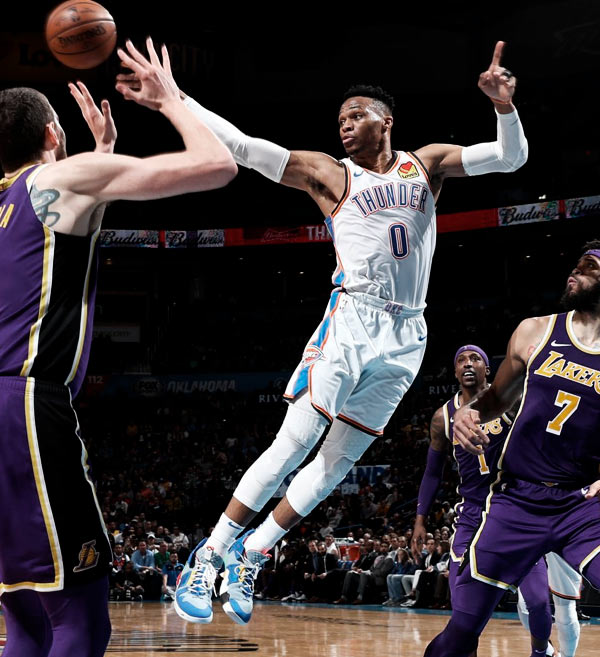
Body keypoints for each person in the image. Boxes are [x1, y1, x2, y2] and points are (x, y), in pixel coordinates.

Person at [147, 40, 529, 626]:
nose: (345, 125)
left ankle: (252, 554)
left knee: (336, 467)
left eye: (356, 115)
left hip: (409, 334)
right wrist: (177, 99)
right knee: (293, 444)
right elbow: (244, 147)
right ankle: (211, 553)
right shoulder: (330, 173)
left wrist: (504, 105)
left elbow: (510, 158)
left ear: (386, 121)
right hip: (352, 320)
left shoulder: (426, 164)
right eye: (341, 119)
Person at [0, 38, 236, 657]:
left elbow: (58, 233)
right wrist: (170, 100)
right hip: (23, 409)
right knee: (80, 619)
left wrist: (101, 156)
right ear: (52, 133)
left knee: (26, 616)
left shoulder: (12, 200)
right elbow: (217, 164)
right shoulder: (60, 178)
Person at [423, 242, 600, 657]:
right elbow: (496, 399)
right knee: (463, 629)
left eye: (589, 267)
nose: (574, 272)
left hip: (580, 504)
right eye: (575, 265)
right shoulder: (535, 331)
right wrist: (469, 413)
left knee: (550, 605)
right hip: (517, 499)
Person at [412, 346, 559, 654]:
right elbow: (432, 473)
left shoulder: (511, 399)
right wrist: (420, 520)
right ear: (455, 372)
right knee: (464, 615)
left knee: (537, 601)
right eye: (461, 360)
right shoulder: (442, 418)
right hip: (472, 515)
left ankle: (542, 652)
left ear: (487, 369)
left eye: (475, 359)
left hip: (515, 509)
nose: (468, 364)